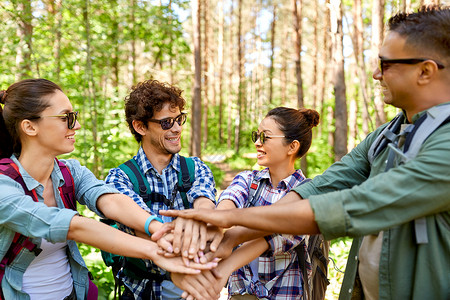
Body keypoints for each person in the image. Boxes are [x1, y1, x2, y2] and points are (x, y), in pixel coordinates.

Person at [160, 5, 450, 300]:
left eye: (385, 64)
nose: (376, 74)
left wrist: (232, 220)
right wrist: (232, 234)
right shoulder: (387, 134)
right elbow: (323, 186)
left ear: (425, 71)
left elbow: (357, 204)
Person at [0, 78, 216, 300]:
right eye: (67, 118)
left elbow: (109, 200)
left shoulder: (70, 172)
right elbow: (71, 226)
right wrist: (154, 250)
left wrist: (155, 227)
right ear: (29, 126)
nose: (76, 126)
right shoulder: (3, 186)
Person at [169, 107, 320, 300]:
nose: (257, 143)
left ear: (292, 146)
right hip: (242, 293)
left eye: (265, 137)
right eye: (256, 136)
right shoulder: (248, 180)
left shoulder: (306, 192)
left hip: (283, 293)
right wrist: (217, 225)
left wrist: (227, 255)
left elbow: (279, 234)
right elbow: (228, 201)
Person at [105, 80, 217, 300]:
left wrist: (202, 217)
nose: (177, 128)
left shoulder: (197, 168)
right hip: (141, 292)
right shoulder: (119, 178)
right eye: (166, 123)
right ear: (140, 127)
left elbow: (206, 209)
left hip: (193, 291)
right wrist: (191, 229)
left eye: (179, 119)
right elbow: (142, 228)